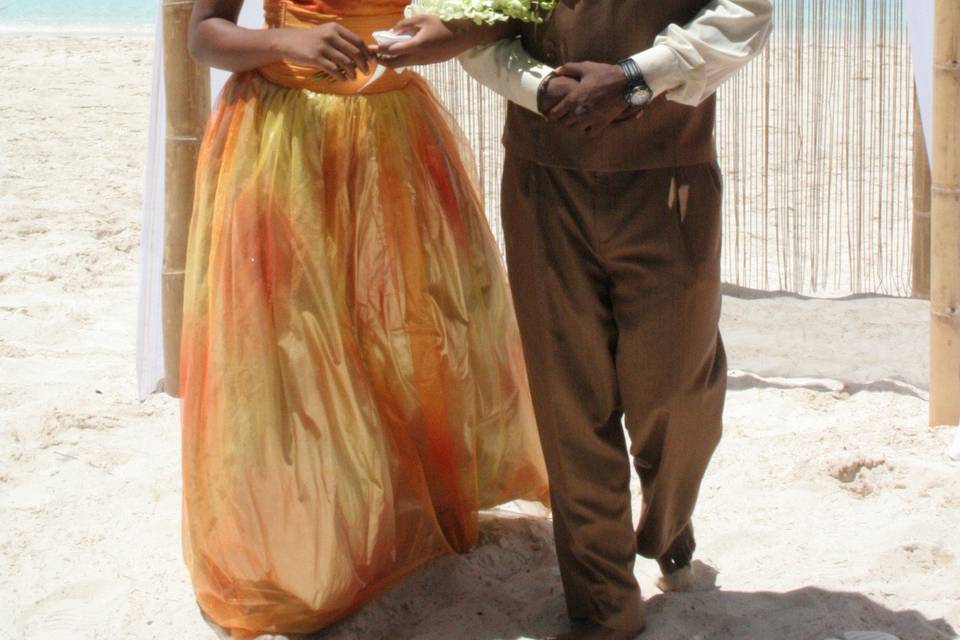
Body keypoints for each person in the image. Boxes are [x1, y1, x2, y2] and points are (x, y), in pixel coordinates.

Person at [380, 2, 773, 638]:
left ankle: (669, 521)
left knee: (675, 389)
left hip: (668, 171)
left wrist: (636, 77)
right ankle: (602, 608)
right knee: (568, 402)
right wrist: (542, 88)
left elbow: (745, 12)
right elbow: (471, 21)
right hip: (543, 177)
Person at [178, 0, 549, 636]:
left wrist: (443, 36)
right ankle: (316, 536)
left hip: (396, 129)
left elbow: (495, 11)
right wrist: (282, 43)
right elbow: (205, 37)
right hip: (285, 140)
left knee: (412, 331)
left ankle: (405, 508)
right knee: (298, 346)